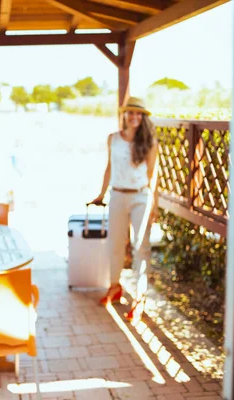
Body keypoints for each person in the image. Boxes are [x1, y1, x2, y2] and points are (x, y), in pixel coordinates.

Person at [90, 96, 159, 322]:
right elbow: (109, 168)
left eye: (139, 114)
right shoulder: (113, 139)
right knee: (115, 244)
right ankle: (114, 286)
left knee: (141, 247)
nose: (134, 117)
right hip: (117, 195)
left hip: (140, 197)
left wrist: (154, 205)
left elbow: (153, 176)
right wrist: (101, 194)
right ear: (124, 115)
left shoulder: (150, 142)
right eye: (131, 113)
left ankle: (139, 299)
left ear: (143, 117)